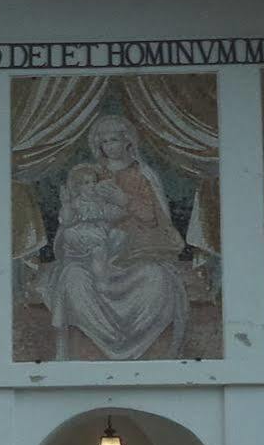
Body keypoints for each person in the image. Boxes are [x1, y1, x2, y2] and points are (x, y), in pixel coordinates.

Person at [36, 114, 190, 360]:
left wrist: (123, 200)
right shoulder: (90, 175)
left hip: (136, 253)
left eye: (114, 140)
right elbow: (72, 216)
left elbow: (153, 218)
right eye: (104, 141)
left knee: (157, 278)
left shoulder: (143, 175)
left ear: (128, 141)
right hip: (94, 252)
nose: (110, 146)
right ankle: (82, 358)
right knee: (73, 279)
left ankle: (151, 359)